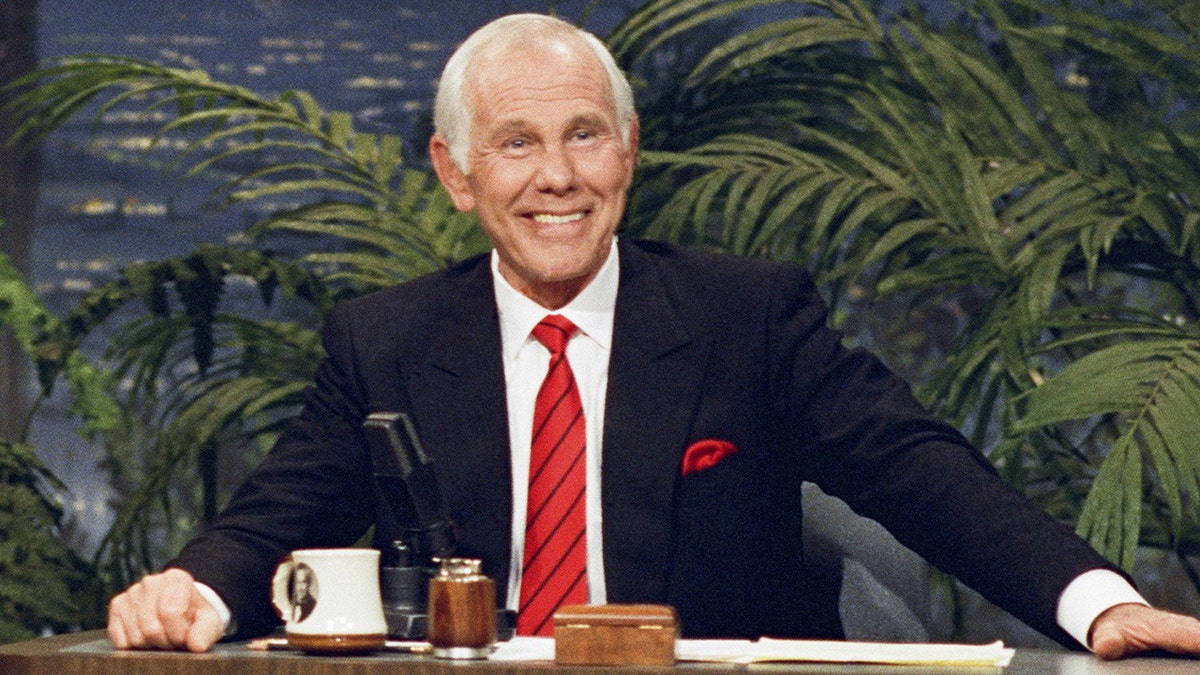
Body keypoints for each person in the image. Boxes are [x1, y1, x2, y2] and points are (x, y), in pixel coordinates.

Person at [106, 13, 1200, 659]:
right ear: (454, 174)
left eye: (585, 135)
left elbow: (917, 469)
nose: (557, 179)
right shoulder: (384, 340)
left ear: (629, 152)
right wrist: (187, 596)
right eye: (517, 143)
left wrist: (1100, 607)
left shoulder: (745, 315)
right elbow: (278, 512)